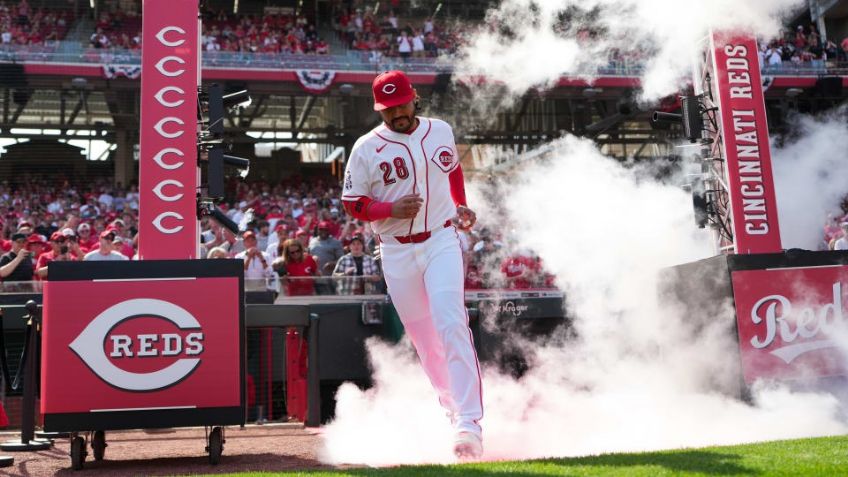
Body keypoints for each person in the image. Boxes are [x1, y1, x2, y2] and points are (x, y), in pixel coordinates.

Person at [341, 70, 483, 459]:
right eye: (388, 108)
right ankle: (452, 411)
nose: (396, 113)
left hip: (440, 238)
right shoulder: (366, 147)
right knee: (424, 340)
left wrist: (460, 204)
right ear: (379, 109)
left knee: (451, 321)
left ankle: (470, 422)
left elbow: (451, 168)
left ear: (413, 97)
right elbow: (352, 202)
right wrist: (389, 208)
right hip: (395, 249)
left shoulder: (440, 130)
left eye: (401, 104)